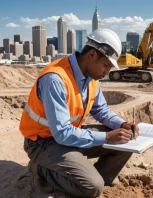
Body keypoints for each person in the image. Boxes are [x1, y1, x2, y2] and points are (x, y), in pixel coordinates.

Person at [19, 29, 139, 198]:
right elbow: (61, 133)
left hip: (68, 137)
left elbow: (101, 110)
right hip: (42, 142)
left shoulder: (91, 78)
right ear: (91, 55)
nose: (107, 72)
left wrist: (121, 125)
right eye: (106, 65)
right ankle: (41, 169)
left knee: (126, 139)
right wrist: (107, 137)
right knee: (92, 187)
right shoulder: (55, 79)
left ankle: (97, 177)